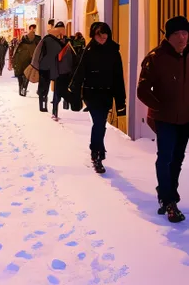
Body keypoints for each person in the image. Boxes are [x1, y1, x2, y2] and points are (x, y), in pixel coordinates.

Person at [137, 16, 189, 223]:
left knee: (177, 157)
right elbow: (142, 90)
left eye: (185, 33)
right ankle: (168, 200)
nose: (182, 37)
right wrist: (160, 107)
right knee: (165, 157)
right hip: (165, 118)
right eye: (176, 33)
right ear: (168, 36)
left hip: (186, 119)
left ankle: (169, 192)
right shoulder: (155, 58)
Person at [69, 22, 126, 174]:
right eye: (99, 36)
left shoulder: (114, 51)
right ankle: (97, 154)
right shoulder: (89, 51)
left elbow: (118, 77)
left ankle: (97, 148)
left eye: (104, 35)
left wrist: (121, 101)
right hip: (91, 93)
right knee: (99, 122)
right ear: (93, 36)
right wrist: (74, 88)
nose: (102, 38)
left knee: (101, 124)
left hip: (107, 93)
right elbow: (80, 71)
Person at [31, 21, 66, 113]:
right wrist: (35, 65)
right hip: (48, 66)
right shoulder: (48, 39)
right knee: (45, 87)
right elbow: (38, 53)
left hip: (51, 66)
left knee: (47, 87)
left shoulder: (62, 40)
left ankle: (48, 106)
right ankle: (44, 105)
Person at [51, 23, 74, 121]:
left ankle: (66, 108)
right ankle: (55, 112)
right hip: (58, 72)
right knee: (57, 93)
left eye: (62, 29)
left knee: (65, 91)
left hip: (68, 71)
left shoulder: (69, 41)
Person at [13, 24, 41, 97]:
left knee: (20, 74)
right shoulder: (37, 40)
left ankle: (20, 88)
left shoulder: (22, 40)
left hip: (20, 60)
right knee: (27, 74)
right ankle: (24, 88)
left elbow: (15, 51)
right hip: (30, 60)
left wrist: (14, 62)